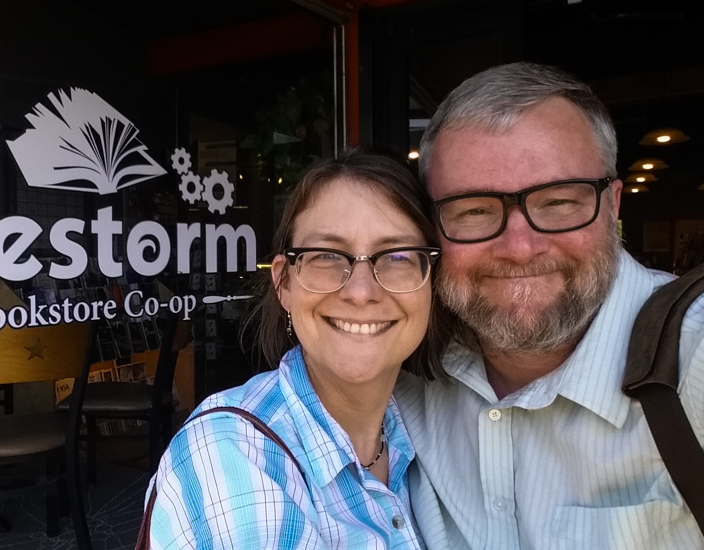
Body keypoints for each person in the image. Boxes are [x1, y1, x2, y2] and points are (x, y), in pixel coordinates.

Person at [394, 61, 704, 549]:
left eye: (559, 201)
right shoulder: (403, 367)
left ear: (614, 205)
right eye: (474, 210)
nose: (520, 248)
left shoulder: (696, 359)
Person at [144, 150, 445, 548]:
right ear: (284, 283)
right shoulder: (231, 455)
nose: (360, 292)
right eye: (326, 256)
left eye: (398, 256)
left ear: (429, 283)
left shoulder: (431, 426)